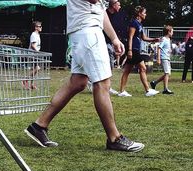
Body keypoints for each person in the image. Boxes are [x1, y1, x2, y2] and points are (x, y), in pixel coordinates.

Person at [24, 0, 144, 152]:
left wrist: (114, 38)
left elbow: (99, 8)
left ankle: (39, 125)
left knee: (78, 82)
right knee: (102, 83)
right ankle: (114, 138)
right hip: (88, 31)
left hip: (85, 31)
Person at [118, 6, 161, 97]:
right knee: (143, 68)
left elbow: (144, 38)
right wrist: (129, 50)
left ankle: (122, 91)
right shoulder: (134, 23)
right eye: (144, 13)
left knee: (127, 70)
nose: (145, 14)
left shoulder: (140, 24)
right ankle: (147, 90)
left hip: (136, 49)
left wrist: (154, 39)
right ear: (139, 14)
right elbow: (130, 37)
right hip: (133, 49)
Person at [150, 25, 174, 94]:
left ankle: (154, 83)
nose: (173, 33)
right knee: (167, 73)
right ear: (168, 32)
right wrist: (158, 58)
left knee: (168, 73)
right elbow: (159, 48)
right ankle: (165, 89)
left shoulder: (168, 39)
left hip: (167, 58)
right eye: (172, 32)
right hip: (164, 58)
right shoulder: (164, 39)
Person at [23, 21, 42, 90]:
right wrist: (37, 52)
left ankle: (32, 84)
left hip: (35, 54)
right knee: (37, 68)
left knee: (35, 69)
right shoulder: (34, 34)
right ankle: (25, 80)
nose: (41, 27)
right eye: (39, 26)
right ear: (36, 27)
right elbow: (32, 45)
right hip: (33, 54)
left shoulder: (37, 35)